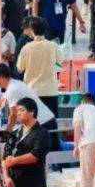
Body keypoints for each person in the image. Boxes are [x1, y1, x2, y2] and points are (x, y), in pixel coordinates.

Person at [14, 17, 62, 146]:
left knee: (33, 125)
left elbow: (19, 68)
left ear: (32, 30)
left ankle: (34, 148)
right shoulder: (53, 46)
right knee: (51, 124)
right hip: (50, 90)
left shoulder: (26, 48)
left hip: (33, 91)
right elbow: (61, 62)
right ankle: (53, 149)